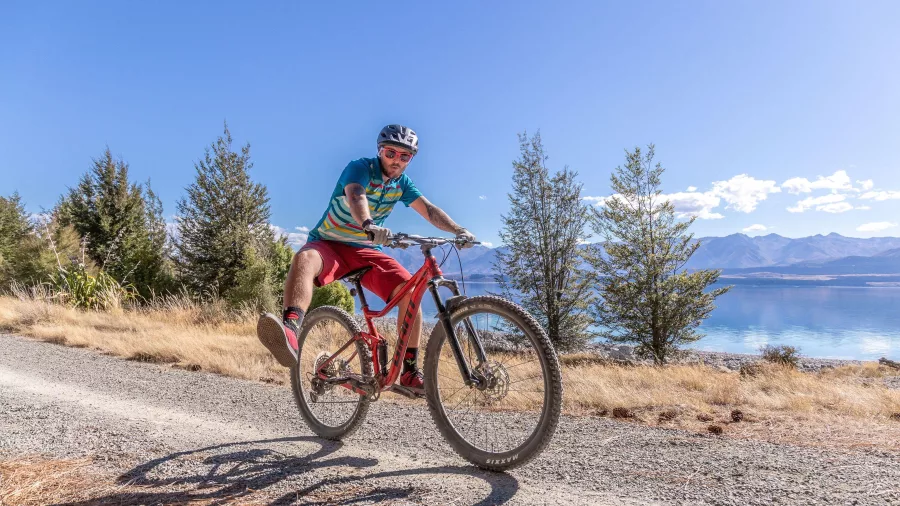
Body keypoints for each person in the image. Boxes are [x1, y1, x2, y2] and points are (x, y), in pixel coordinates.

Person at [257, 124, 475, 394]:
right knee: (305, 259)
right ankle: (290, 330)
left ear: (411, 159)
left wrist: (459, 230)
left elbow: (428, 210)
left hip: (365, 250)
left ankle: (409, 372)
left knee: (411, 292)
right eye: (390, 152)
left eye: (404, 156)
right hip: (329, 242)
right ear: (379, 151)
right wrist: (369, 224)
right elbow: (356, 195)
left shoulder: (402, 184)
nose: (396, 160)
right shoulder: (360, 168)